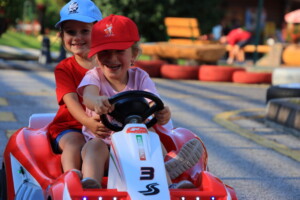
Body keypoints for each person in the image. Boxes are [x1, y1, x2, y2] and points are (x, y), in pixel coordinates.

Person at [77, 14, 202, 189]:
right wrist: (97, 101)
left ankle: (167, 183)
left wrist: (162, 112)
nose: (112, 58)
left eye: (119, 51)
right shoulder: (94, 77)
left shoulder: (140, 77)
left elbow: (153, 101)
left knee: (151, 138)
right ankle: (91, 183)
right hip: (104, 148)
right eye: (105, 52)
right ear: (96, 56)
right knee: (94, 147)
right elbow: (88, 96)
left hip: (135, 148)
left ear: (133, 54)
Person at [47, 0, 103, 188]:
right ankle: (71, 180)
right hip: (72, 126)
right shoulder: (64, 68)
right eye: (71, 32)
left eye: (84, 31)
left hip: (105, 127)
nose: (77, 37)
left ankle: (163, 169)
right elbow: (70, 101)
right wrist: (87, 123)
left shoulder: (109, 65)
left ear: (98, 32)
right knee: (75, 142)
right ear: (61, 36)